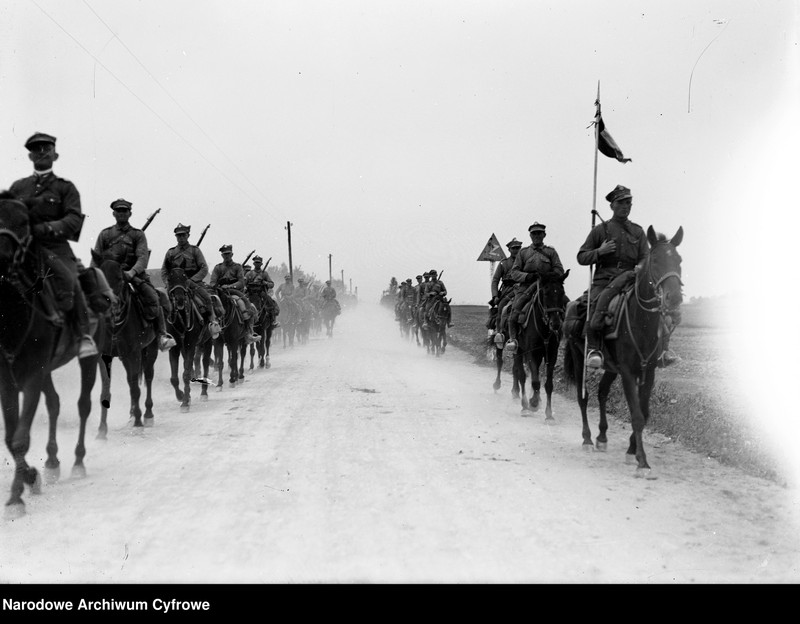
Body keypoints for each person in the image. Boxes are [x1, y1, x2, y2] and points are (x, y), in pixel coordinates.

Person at [9, 132, 97, 358]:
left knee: (70, 280)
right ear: (29, 156)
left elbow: (74, 219)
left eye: (45, 149)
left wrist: (47, 228)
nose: (41, 153)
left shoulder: (65, 188)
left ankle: (83, 335)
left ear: (54, 155)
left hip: (55, 249)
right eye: (36, 149)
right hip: (24, 249)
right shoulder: (18, 187)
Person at [577, 185, 653, 369]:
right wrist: (599, 251)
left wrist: (640, 267)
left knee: (654, 305)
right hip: (605, 280)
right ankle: (594, 350)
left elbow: (645, 256)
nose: (626, 206)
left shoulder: (637, 231)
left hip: (631, 278)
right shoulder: (600, 230)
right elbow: (582, 257)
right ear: (612, 205)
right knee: (595, 306)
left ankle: (660, 349)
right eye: (621, 203)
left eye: (629, 203)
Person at [92, 198, 176, 351]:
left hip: (133, 275)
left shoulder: (138, 235)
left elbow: (142, 257)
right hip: (110, 276)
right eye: (119, 211)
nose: (121, 213)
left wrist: (132, 272)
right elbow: (96, 259)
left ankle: (162, 336)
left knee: (154, 296)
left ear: (130, 213)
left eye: (124, 211)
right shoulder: (105, 234)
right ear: (114, 213)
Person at [504, 223, 565, 353]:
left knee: (567, 306)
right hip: (527, 287)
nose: (537, 236)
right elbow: (514, 272)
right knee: (515, 310)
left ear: (544, 235)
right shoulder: (523, 253)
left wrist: (548, 275)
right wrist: (528, 276)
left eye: (539, 233)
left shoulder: (551, 252)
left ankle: (565, 338)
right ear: (530, 235)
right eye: (534, 233)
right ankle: (514, 340)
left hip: (547, 286)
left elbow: (559, 269)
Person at [160, 223, 220, 339]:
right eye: (178, 236)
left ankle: (212, 323)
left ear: (188, 235)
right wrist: (167, 283)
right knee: (161, 302)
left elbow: (204, 268)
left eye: (183, 235)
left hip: (193, 282)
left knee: (207, 298)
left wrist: (192, 280)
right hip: (175, 285)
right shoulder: (171, 252)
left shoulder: (195, 251)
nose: (181, 238)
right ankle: (162, 332)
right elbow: (164, 270)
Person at [209, 245, 260, 344]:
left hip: (233, 291)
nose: (226, 256)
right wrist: (216, 286)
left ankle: (249, 332)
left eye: (228, 254)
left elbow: (241, 282)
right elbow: (212, 281)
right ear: (222, 255)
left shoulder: (237, 267)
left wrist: (230, 286)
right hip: (219, 291)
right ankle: (209, 331)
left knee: (243, 303)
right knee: (210, 304)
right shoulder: (218, 267)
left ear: (232, 254)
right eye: (224, 254)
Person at [487, 237, 523, 336]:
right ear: (509, 250)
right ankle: (499, 334)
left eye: (518, 248)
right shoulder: (504, 263)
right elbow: (495, 280)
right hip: (507, 291)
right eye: (514, 248)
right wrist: (495, 296)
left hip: (523, 289)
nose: (516, 250)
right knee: (502, 307)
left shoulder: (525, 262)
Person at [244, 255, 280, 328]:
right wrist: (245, 287)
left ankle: (273, 321)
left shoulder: (264, 274)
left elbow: (271, 284)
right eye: (256, 262)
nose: (257, 264)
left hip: (261, 293)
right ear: (254, 264)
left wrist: (264, 282)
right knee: (240, 303)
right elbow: (243, 283)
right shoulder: (249, 274)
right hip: (250, 293)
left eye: (259, 263)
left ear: (261, 264)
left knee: (271, 304)